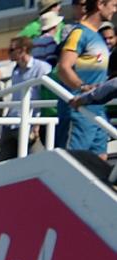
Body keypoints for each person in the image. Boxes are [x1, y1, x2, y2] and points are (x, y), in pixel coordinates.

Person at [55, 0, 111, 155]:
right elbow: (64, 68)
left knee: (100, 163)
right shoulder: (79, 33)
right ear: (100, 4)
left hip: (98, 111)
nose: (115, 9)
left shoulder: (98, 37)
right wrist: (82, 87)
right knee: (74, 163)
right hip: (78, 110)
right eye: (113, 5)